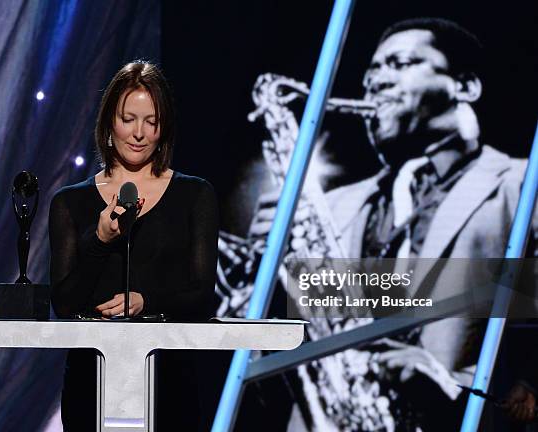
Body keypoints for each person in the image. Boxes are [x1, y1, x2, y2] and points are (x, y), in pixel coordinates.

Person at [248, 18, 537, 430]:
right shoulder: (330, 205)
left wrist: (457, 392)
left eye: (399, 64)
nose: (375, 84)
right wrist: (274, 279)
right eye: (369, 77)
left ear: (465, 86)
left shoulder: (524, 184)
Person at [48, 61, 219, 431]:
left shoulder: (195, 195)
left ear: (163, 128)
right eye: (128, 119)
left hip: (171, 385)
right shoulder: (69, 203)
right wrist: (100, 241)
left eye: (151, 122)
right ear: (110, 121)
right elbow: (63, 304)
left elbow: (203, 294)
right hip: (91, 384)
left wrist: (147, 302)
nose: (139, 133)